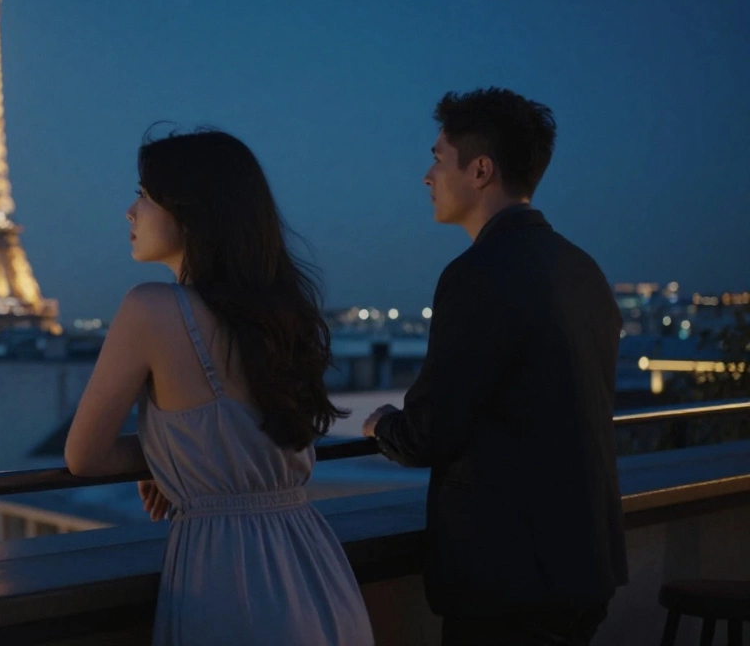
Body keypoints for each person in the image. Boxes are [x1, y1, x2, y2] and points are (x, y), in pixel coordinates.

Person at [65, 128, 373, 646]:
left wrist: (172, 459)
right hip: (316, 566)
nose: (129, 211)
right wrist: (180, 454)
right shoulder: (282, 313)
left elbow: (83, 457)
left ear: (191, 211)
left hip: (226, 574)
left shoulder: (150, 308)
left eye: (143, 194)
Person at [362, 87, 627, 646]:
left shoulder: (479, 272)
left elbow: (428, 432)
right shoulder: (584, 271)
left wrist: (381, 423)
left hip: (509, 579)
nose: (427, 176)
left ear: (480, 170)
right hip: (583, 565)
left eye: (438, 158)